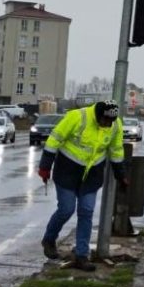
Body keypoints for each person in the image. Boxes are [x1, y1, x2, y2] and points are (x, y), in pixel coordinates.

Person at [38, 100, 128, 271]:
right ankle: (49, 239)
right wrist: (45, 167)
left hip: (91, 176)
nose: (107, 125)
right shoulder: (77, 117)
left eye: (110, 122)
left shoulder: (115, 125)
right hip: (67, 171)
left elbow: (116, 151)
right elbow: (54, 140)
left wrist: (121, 175)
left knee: (86, 211)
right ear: (97, 115)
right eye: (104, 121)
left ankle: (82, 255)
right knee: (66, 209)